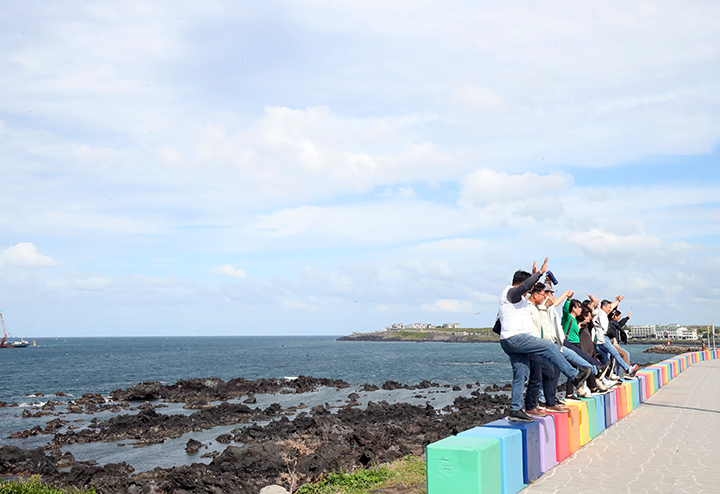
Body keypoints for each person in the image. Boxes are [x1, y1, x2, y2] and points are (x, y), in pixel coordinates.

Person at [498, 258, 591, 422]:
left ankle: (515, 410)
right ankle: (574, 376)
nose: (531, 290)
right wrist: (540, 273)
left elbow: (532, 292)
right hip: (515, 338)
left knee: (521, 375)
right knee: (549, 347)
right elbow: (525, 287)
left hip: (512, 342)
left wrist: (536, 277)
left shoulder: (520, 300)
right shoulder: (510, 293)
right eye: (529, 287)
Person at [593, 296, 639, 377]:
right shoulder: (600, 312)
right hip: (602, 338)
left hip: (604, 339)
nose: (610, 309)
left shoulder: (604, 314)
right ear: (604, 307)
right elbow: (597, 306)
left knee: (606, 359)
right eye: (609, 308)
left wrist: (618, 300)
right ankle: (628, 369)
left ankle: (608, 375)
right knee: (615, 353)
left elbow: (613, 306)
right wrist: (594, 300)